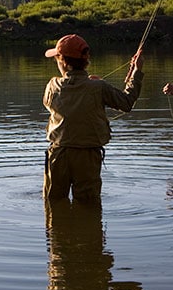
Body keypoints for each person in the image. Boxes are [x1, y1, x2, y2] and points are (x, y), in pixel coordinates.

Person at [43, 34, 144, 203]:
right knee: (88, 204)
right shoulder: (98, 87)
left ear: (63, 61)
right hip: (88, 155)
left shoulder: (53, 85)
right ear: (85, 60)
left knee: (53, 202)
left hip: (58, 154)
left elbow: (49, 103)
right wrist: (136, 71)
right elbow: (127, 103)